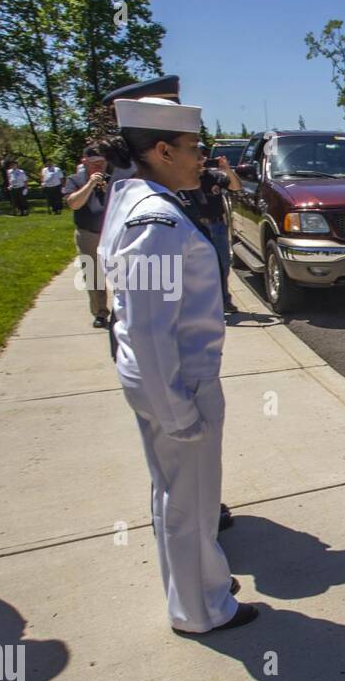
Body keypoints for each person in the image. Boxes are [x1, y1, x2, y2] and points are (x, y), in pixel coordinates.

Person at [97, 92, 257, 636]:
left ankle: (196, 587)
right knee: (190, 502)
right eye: (194, 147)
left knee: (175, 496)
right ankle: (201, 609)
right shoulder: (158, 221)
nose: (203, 158)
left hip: (164, 380)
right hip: (178, 383)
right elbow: (147, 328)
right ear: (163, 150)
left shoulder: (133, 200)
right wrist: (177, 411)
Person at [178, 143, 242, 314]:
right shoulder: (183, 179)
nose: (201, 160)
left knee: (223, 264)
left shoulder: (214, 176)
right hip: (196, 227)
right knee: (199, 267)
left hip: (218, 226)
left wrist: (227, 169)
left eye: (203, 156)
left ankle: (224, 300)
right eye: (197, 156)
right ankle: (203, 302)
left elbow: (236, 186)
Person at [64, 145, 114, 327]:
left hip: (112, 233)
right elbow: (74, 204)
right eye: (95, 163)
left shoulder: (115, 180)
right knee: (93, 275)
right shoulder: (75, 180)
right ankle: (100, 312)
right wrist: (90, 184)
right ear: (84, 161)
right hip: (88, 234)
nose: (99, 166)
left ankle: (124, 311)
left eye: (102, 162)